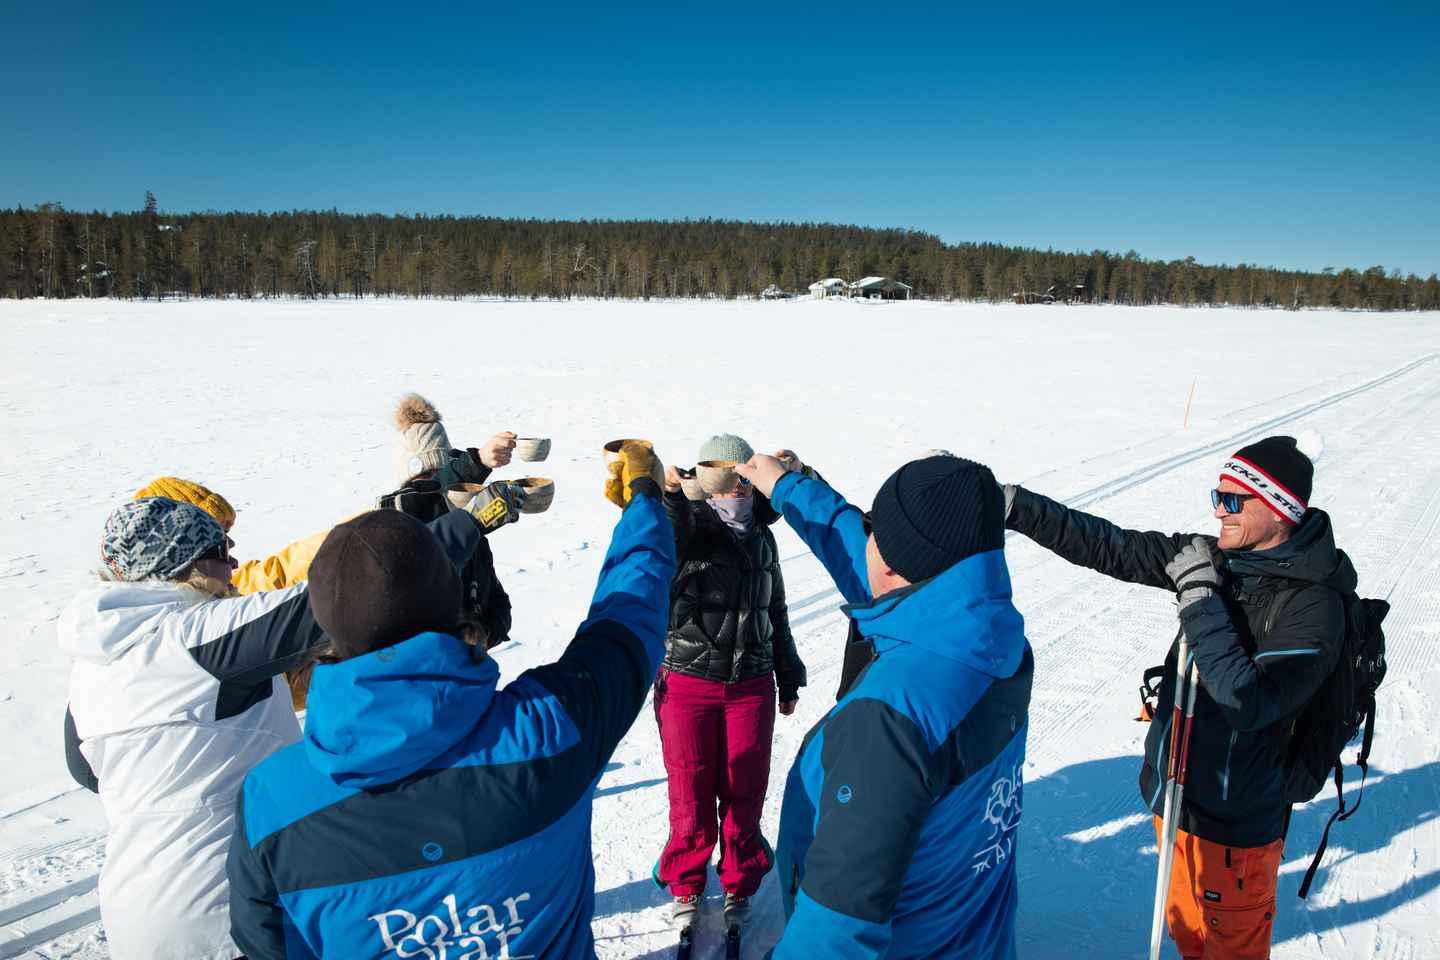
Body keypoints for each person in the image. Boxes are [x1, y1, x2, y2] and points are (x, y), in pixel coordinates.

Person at [227, 443, 676, 960]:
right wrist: (644, 501)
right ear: (452, 600)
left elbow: (270, 945)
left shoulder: (270, 800)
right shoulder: (550, 729)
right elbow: (628, 618)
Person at [60, 493, 493, 960]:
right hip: (221, 913)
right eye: (222, 552)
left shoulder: (97, 659)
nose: (234, 564)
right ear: (185, 565)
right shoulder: (196, 638)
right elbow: (353, 594)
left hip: (136, 911)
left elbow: (87, 771)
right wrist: (468, 524)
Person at [1002, 435, 1350, 960]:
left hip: (1236, 829)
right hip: (1176, 799)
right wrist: (1016, 506)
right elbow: (1109, 545)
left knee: (1229, 951)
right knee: (1189, 936)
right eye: (1217, 496)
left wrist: (1200, 599)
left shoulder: (1315, 606)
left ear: (1279, 511)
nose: (1219, 513)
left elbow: (1247, 701)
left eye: (1233, 501)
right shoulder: (1215, 559)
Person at [734, 453, 1032, 959]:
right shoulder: (992, 637)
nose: (865, 536)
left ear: (891, 563)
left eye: (876, 531)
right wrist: (787, 486)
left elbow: (835, 933)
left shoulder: (890, 718)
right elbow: (861, 549)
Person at [652, 434, 807, 929]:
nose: (731, 493)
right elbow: (667, 541)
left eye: (741, 480)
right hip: (688, 683)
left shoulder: (763, 534)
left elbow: (774, 608)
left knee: (745, 788)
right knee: (691, 788)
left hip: (751, 683)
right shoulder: (691, 526)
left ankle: (739, 883)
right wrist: (675, 496)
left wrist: (789, 672)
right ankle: (686, 884)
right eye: (722, 483)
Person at [378, 392, 521, 649]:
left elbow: (497, 600)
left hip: (472, 666)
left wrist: (488, 634)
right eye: (422, 475)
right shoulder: (390, 526)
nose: (431, 482)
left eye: (437, 472)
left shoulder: (466, 524)